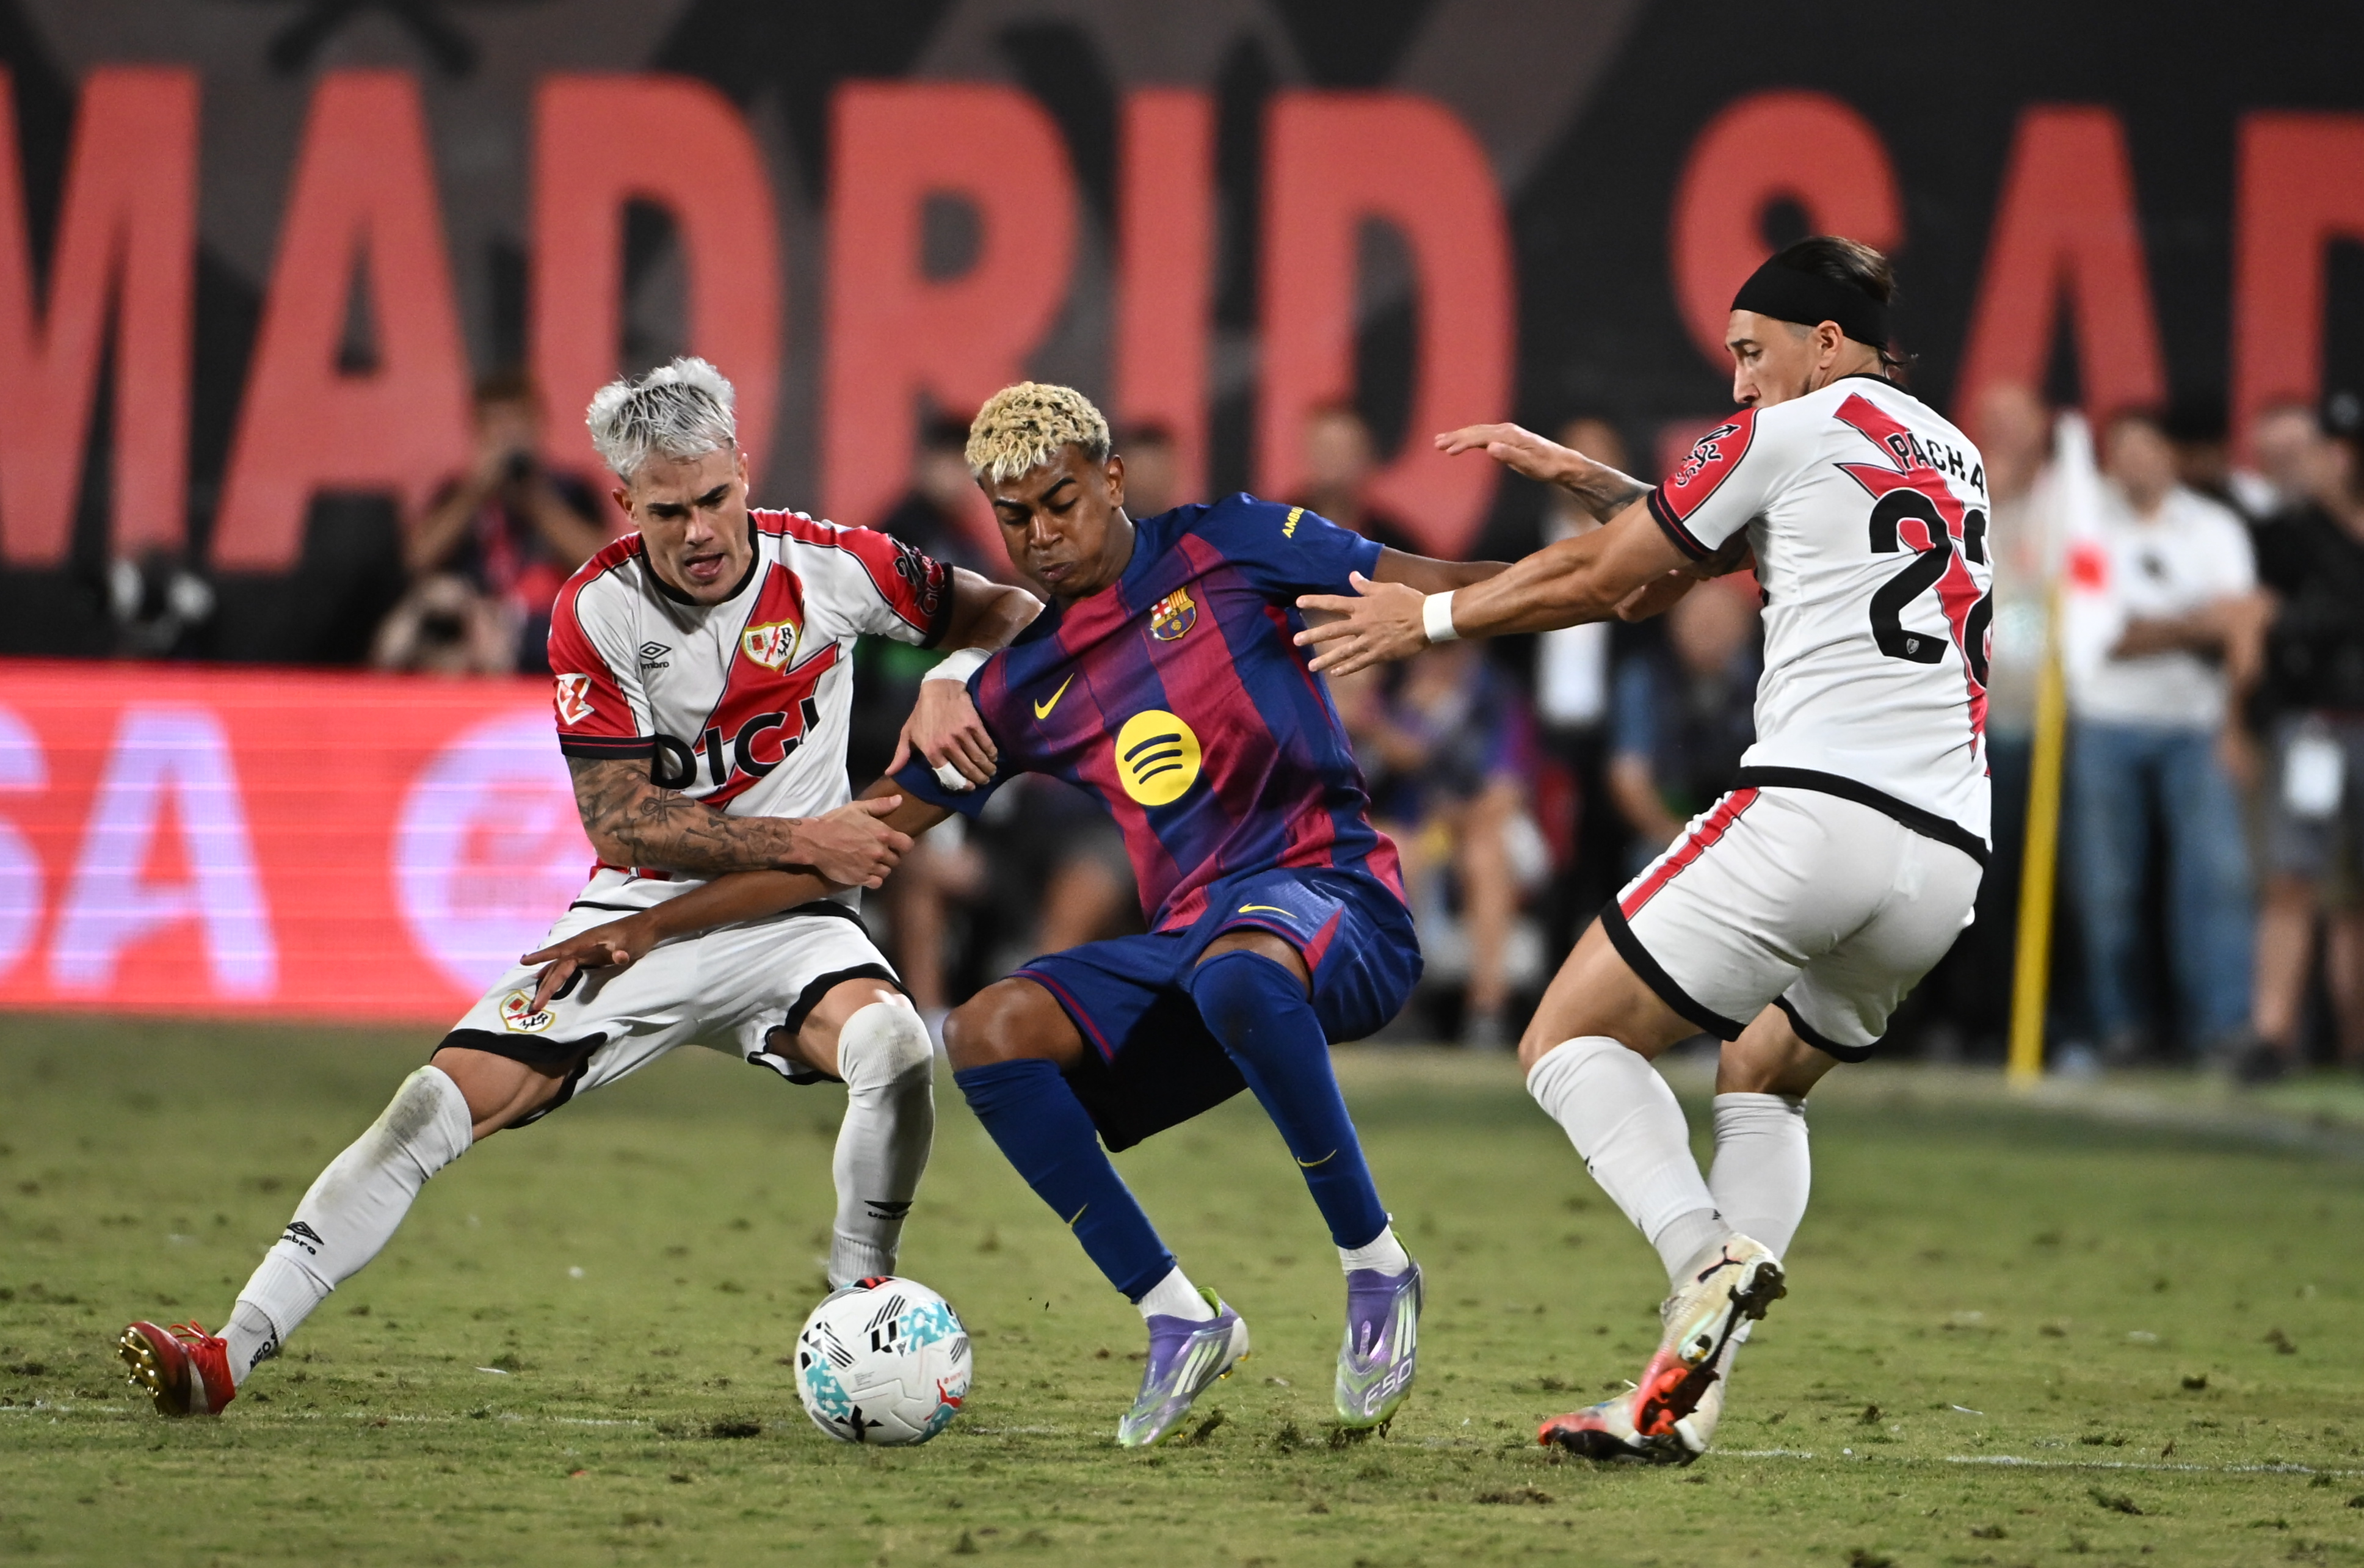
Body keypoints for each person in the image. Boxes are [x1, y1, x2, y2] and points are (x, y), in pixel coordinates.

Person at [523, 382, 1506, 1446]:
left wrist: (1636, 554)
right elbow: (851, 841)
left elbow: (1449, 585)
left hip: (1341, 904)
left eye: (1062, 501)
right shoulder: (1020, 685)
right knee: (986, 1033)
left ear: (1112, 480)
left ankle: (1375, 1266)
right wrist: (651, 925)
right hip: (1206, 948)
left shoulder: (1231, 543)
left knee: (1234, 966)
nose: (1041, 536)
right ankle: (1178, 1316)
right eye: (1015, 517)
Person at [114, 357, 1039, 1418]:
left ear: (744, 470)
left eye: (714, 498)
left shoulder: (833, 566)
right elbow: (622, 820)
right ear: (625, 504)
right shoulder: (594, 610)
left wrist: (944, 675)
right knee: (427, 1108)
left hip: (794, 925)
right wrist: (808, 834)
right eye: (667, 510)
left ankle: (855, 1303)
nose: (698, 530)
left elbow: (1011, 610)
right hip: (634, 918)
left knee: (895, 1047)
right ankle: (227, 1350)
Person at [1299, 237, 1992, 1464]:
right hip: (1943, 858)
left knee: (1565, 1036)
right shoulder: (1951, 453)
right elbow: (1713, 545)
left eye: (1748, 352)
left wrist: (1433, 617)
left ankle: (1702, 1258)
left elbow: (1627, 584)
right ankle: (1686, 1393)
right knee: (1761, 1080)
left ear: (1821, 344)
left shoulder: (1788, 428)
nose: (1735, 383)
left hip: (1814, 811)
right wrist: (1586, 475)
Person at [2067, 406, 2267, 1069]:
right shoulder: (2086, 528)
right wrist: (2192, 625)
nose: (2135, 461)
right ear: (2107, 460)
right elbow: (2100, 636)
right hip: (2104, 720)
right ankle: (2120, 1027)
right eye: (2122, 449)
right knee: (2106, 888)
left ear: (2171, 456)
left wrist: (2155, 631)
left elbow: (2238, 626)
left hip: (2197, 725)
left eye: (2146, 448)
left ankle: (2220, 1029)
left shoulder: (2211, 527)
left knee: (2213, 882)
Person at [1344, 639, 1545, 1048]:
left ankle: (1487, 1011)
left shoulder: (1496, 697)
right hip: (1408, 831)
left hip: (1481, 830)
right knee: (1397, 849)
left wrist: (1451, 818)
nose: (1435, 661)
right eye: (1428, 649)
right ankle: (1397, 1012)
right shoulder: (1390, 693)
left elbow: (1505, 794)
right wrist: (1389, 725)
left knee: (1484, 855)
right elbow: (1358, 785)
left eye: (1447, 650)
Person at [2249, 395, 2364, 1079]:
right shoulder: (2285, 534)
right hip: (2312, 724)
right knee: (2293, 878)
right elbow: (2251, 627)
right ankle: (2272, 1033)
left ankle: (2354, 1039)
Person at [391, 369, 612, 674]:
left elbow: (598, 564)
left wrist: (535, 499)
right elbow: (415, 558)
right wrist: (474, 493)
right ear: (478, 433)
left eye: (515, 426)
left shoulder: (571, 490)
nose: (507, 439)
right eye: (496, 427)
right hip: (470, 627)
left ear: (537, 427)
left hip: (543, 626)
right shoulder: (457, 493)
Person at [1606, 579, 1762, 873]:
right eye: (1696, 619)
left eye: (1719, 619)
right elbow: (1628, 776)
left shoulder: (1768, 682)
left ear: (1745, 624)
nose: (1707, 630)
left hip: (1753, 826)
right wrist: (1679, 836)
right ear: (1673, 622)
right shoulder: (1644, 678)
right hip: (1671, 825)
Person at [1296, 403, 1423, 554]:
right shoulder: (1276, 530)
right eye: (1324, 448)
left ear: (1367, 457)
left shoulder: (1398, 548)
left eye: (1342, 450)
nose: (1332, 460)